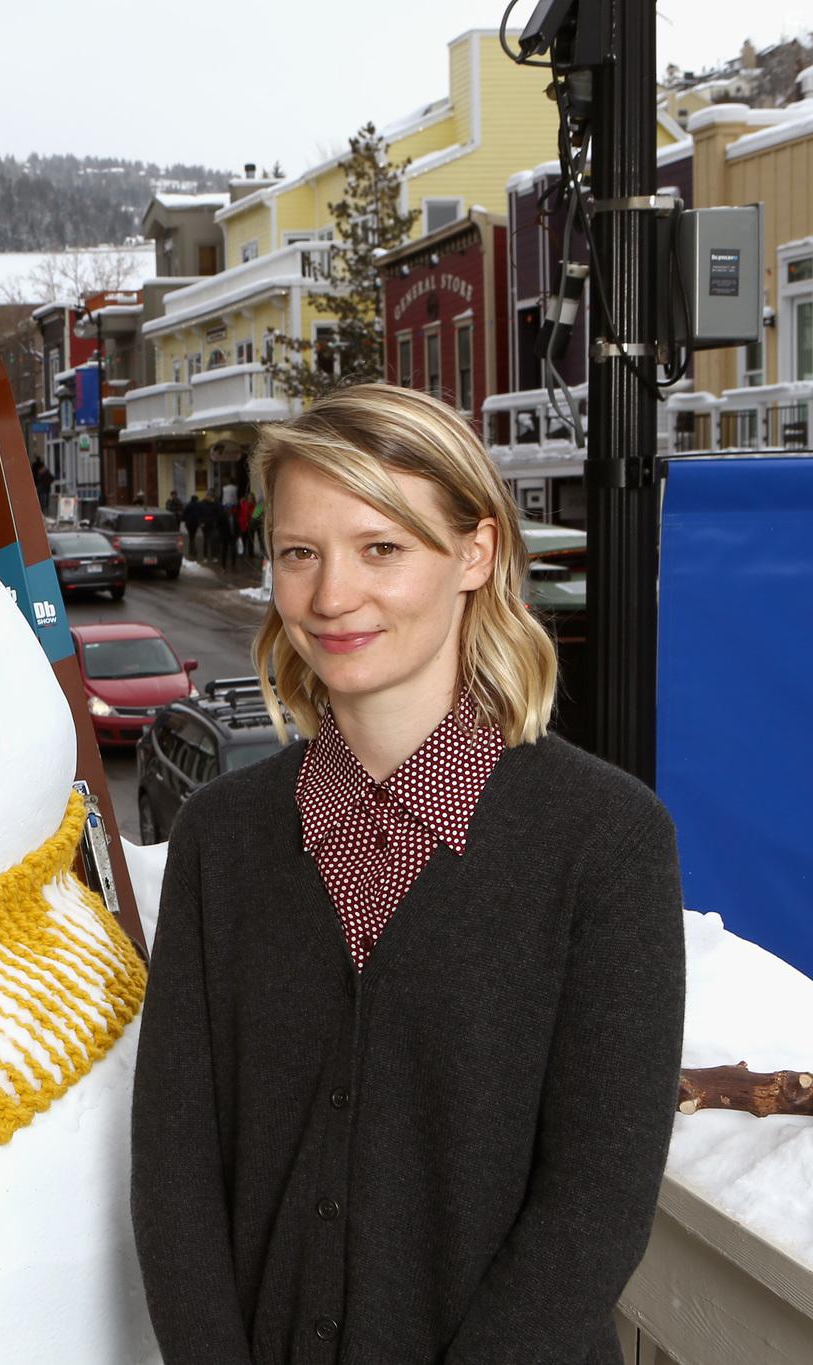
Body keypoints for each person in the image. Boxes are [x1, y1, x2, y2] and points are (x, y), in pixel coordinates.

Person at [131, 384, 683, 1364]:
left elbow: (592, 1207)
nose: (330, 596)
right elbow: (175, 1170)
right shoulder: (221, 839)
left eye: (380, 548)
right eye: (299, 554)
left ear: (472, 552)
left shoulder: (601, 840)